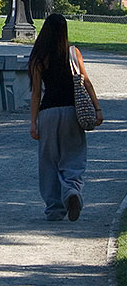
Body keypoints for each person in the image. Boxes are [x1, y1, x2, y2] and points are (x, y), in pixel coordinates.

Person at [29, 13, 103, 222]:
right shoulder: (73, 53)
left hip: (48, 113)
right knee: (74, 156)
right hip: (72, 112)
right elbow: (86, 82)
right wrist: (97, 109)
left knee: (49, 161)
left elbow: (36, 93)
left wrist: (33, 123)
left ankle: (54, 209)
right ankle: (71, 190)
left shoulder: (38, 57)